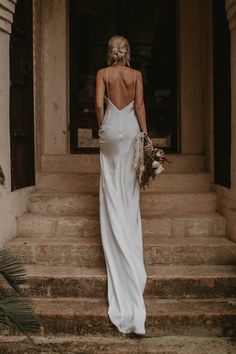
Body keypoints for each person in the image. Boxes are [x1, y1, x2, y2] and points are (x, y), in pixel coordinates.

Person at [95, 35, 153, 335]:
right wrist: (146, 136)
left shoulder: (103, 74)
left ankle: (114, 231)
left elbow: (97, 105)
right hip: (130, 131)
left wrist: (103, 127)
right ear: (127, 53)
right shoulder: (136, 76)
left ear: (110, 52)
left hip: (110, 133)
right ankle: (128, 235)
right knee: (129, 189)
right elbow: (140, 106)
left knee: (111, 186)